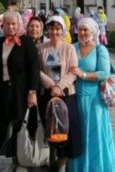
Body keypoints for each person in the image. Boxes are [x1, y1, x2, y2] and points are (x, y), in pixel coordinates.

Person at [67, 17, 115, 172]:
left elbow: (103, 73)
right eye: (80, 29)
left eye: (85, 30)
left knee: (94, 138)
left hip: (94, 101)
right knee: (77, 136)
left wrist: (82, 75)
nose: (82, 33)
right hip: (74, 99)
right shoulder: (72, 47)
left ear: (93, 32)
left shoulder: (100, 49)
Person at [0, 11, 39, 172]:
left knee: (20, 124)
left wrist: (32, 91)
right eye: (7, 24)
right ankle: (13, 160)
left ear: (19, 24)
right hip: (4, 90)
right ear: (3, 25)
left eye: (14, 24)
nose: (11, 27)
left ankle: (22, 163)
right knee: (8, 124)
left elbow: (34, 68)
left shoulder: (26, 42)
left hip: (22, 91)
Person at [37, 16, 82, 172]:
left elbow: (73, 71)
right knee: (48, 127)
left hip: (66, 96)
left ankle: (62, 163)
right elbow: (37, 71)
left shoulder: (69, 48)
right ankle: (50, 157)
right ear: (47, 30)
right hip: (47, 95)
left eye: (57, 29)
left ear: (62, 31)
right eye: (51, 28)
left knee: (65, 129)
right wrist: (51, 85)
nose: (54, 32)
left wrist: (60, 86)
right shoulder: (41, 48)